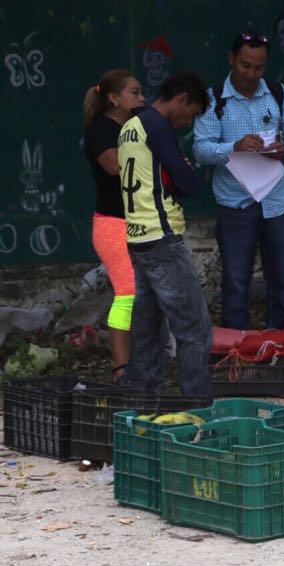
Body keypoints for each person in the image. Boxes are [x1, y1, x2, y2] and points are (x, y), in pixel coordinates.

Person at [193, 30, 284, 332]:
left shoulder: (277, 93)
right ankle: (237, 345)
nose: (251, 74)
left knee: (282, 279)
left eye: (259, 67)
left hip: (278, 201)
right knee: (235, 282)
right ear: (231, 59)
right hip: (236, 203)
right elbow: (200, 149)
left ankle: (283, 340)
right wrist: (234, 147)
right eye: (245, 65)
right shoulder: (214, 99)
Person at [117, 71, 213, 398]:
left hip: (137, 239)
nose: (189, 122)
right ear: (182, 99)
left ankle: (144, 404)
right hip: (162, 238)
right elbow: (188, 182)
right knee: (194, 329)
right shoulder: (157, 126)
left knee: (147, 331)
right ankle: (198, 407)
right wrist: (185, 169)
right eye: (192, 113)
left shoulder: (129, 126)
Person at [82, 70, 146, 384]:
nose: (142, 99)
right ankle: (121, 368)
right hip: (112, 224)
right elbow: (114, 165)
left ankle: (141, 361)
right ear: (113, 98)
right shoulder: (101, 129)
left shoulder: (135, 126)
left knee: (142, 293)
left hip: (140, 221)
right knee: (127, 292)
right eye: (135, 92)